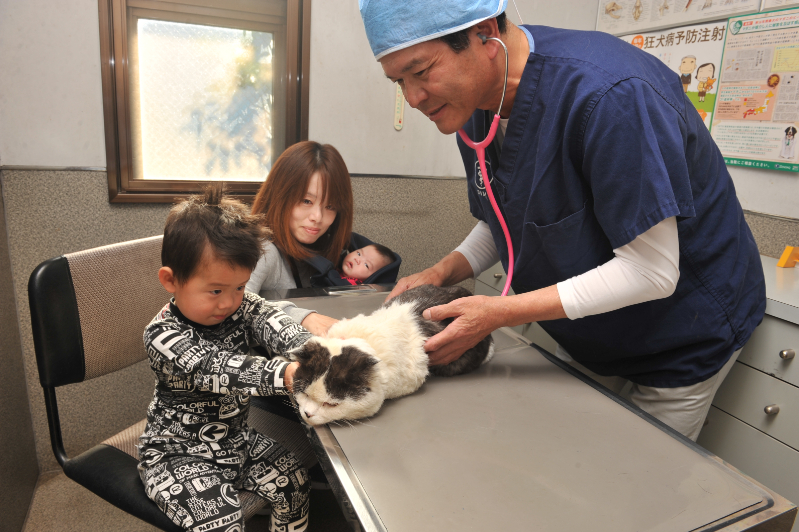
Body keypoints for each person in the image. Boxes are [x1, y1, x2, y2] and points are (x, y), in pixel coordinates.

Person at [360, 0, 766, 440]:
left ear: (484, 34)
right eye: (398, 80)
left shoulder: (611, 96)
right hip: (593, 330)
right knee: (576, 456)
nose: (414, 98)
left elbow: (652, 271)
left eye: (421, 72)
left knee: (643, 484)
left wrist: (498, 313)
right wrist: (441, 270)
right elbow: (509, 215)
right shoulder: (475, 105)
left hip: (680, 332)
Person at [138, 183, 311, 532]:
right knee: (223, 522)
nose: (229, 302)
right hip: (177, 455)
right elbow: (216, 368)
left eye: (239, 286)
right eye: (215, 290)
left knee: (295, 479)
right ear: (171, 281)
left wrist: (315, 353)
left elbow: (274, 322)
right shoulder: (161, 336)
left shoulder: (240, 304)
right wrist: (289, 374)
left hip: (235, 441)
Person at [247, 140, 354, 295]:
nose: (317, 217)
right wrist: (305, 316)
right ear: (279, 197)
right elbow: (232, 309)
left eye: (330, 206)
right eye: (306, 201)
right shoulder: (264, 251)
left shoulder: (337, 250)